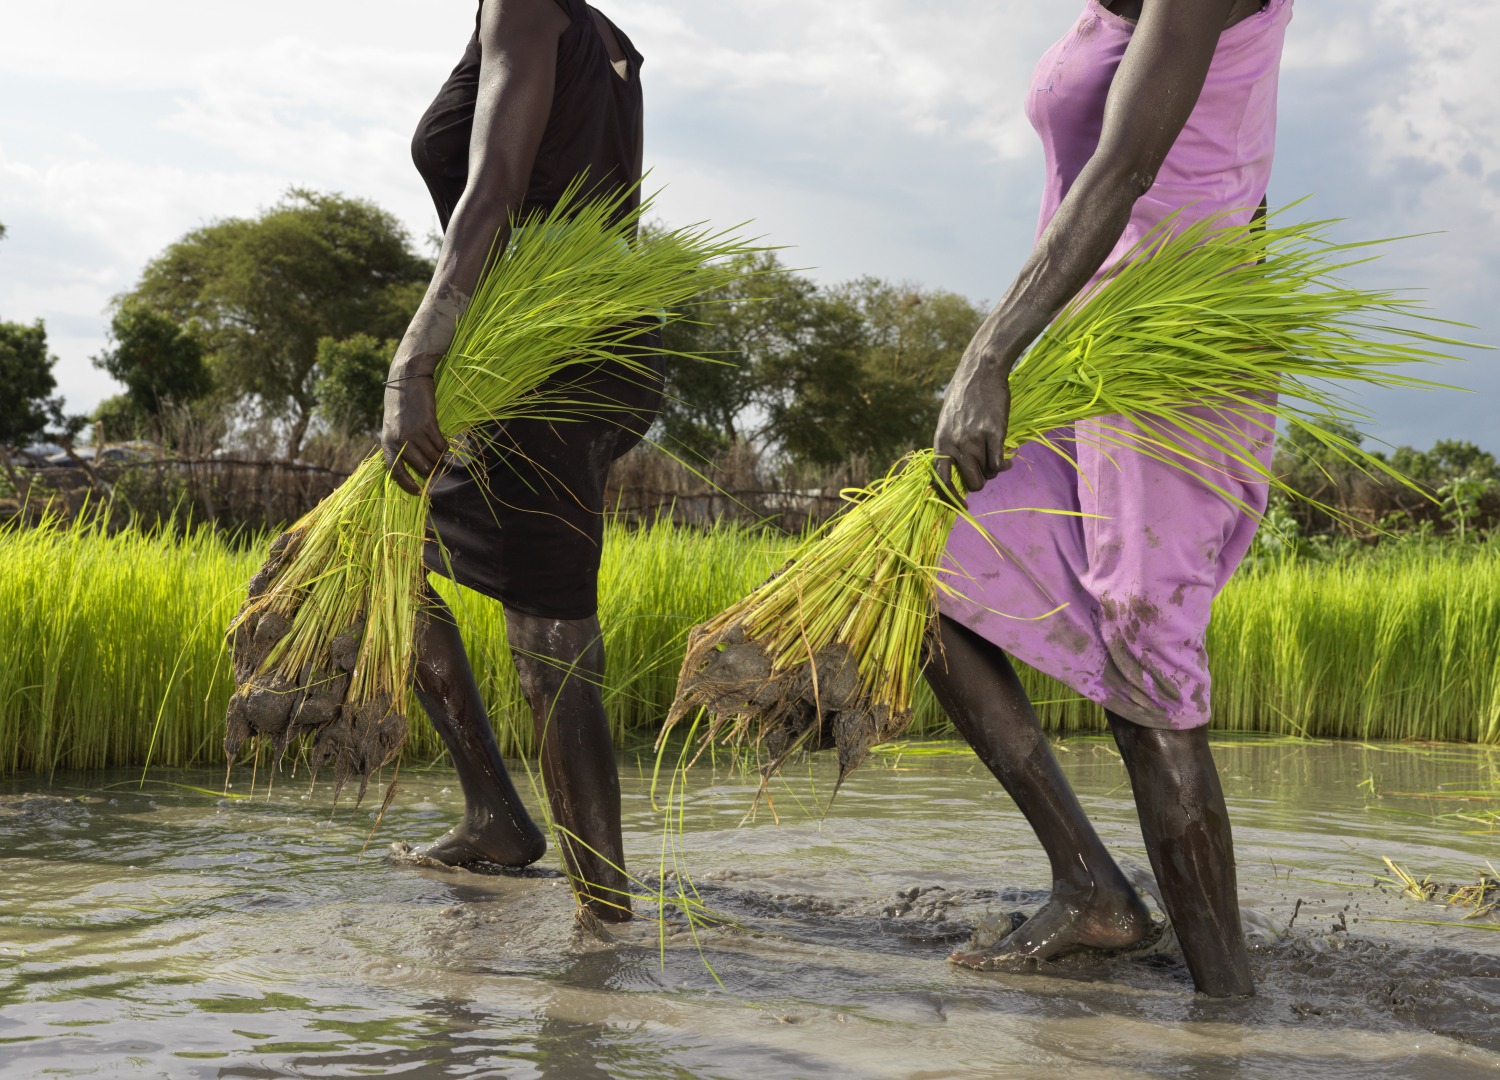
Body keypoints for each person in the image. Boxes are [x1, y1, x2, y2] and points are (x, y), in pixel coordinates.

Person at [927, 0, 1293, 996]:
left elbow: (1130, 167)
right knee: (929, 580)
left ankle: (1231, 1019)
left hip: (1172, 358)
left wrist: (987, 353)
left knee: (1148, 664)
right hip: (1087, 352)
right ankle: (1093, 889)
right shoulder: (1102, 10)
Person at [381, 0, 659, 923]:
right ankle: (498, 819)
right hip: (587, 335)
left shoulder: (527, 8)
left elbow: (493, 190)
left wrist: (414, 362)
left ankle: (604, 912)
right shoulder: (609, 41)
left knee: (551, 629)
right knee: (383, 558)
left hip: (551, 354)